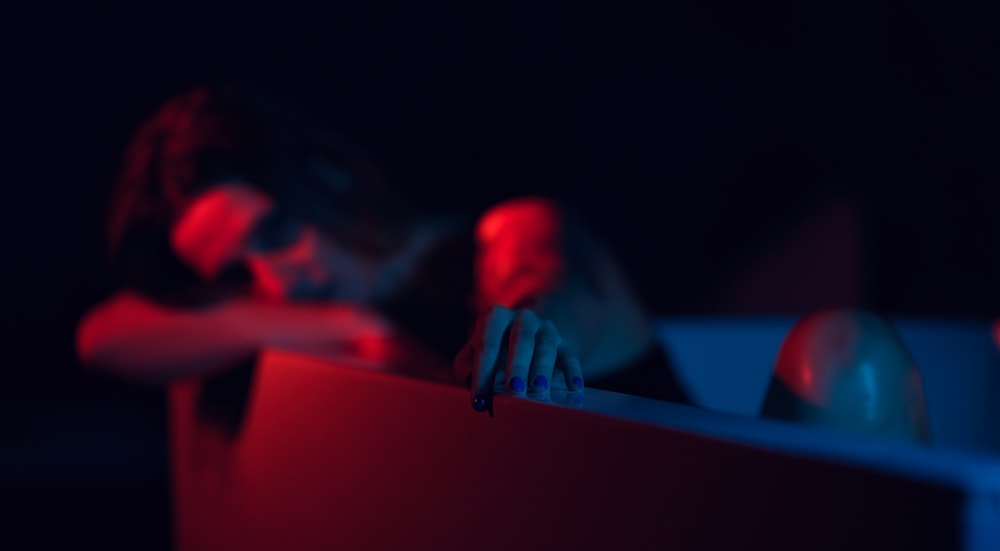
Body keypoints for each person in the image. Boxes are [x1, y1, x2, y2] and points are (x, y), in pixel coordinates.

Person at [75, 85, 693, 411]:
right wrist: (350, 326)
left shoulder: (508, 232)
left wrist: (529, 325)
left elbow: (540, 279)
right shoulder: (321, 309)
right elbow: (104, 337)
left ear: (325, 174)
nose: (277, 284)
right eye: (239, 272)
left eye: (274, 235)